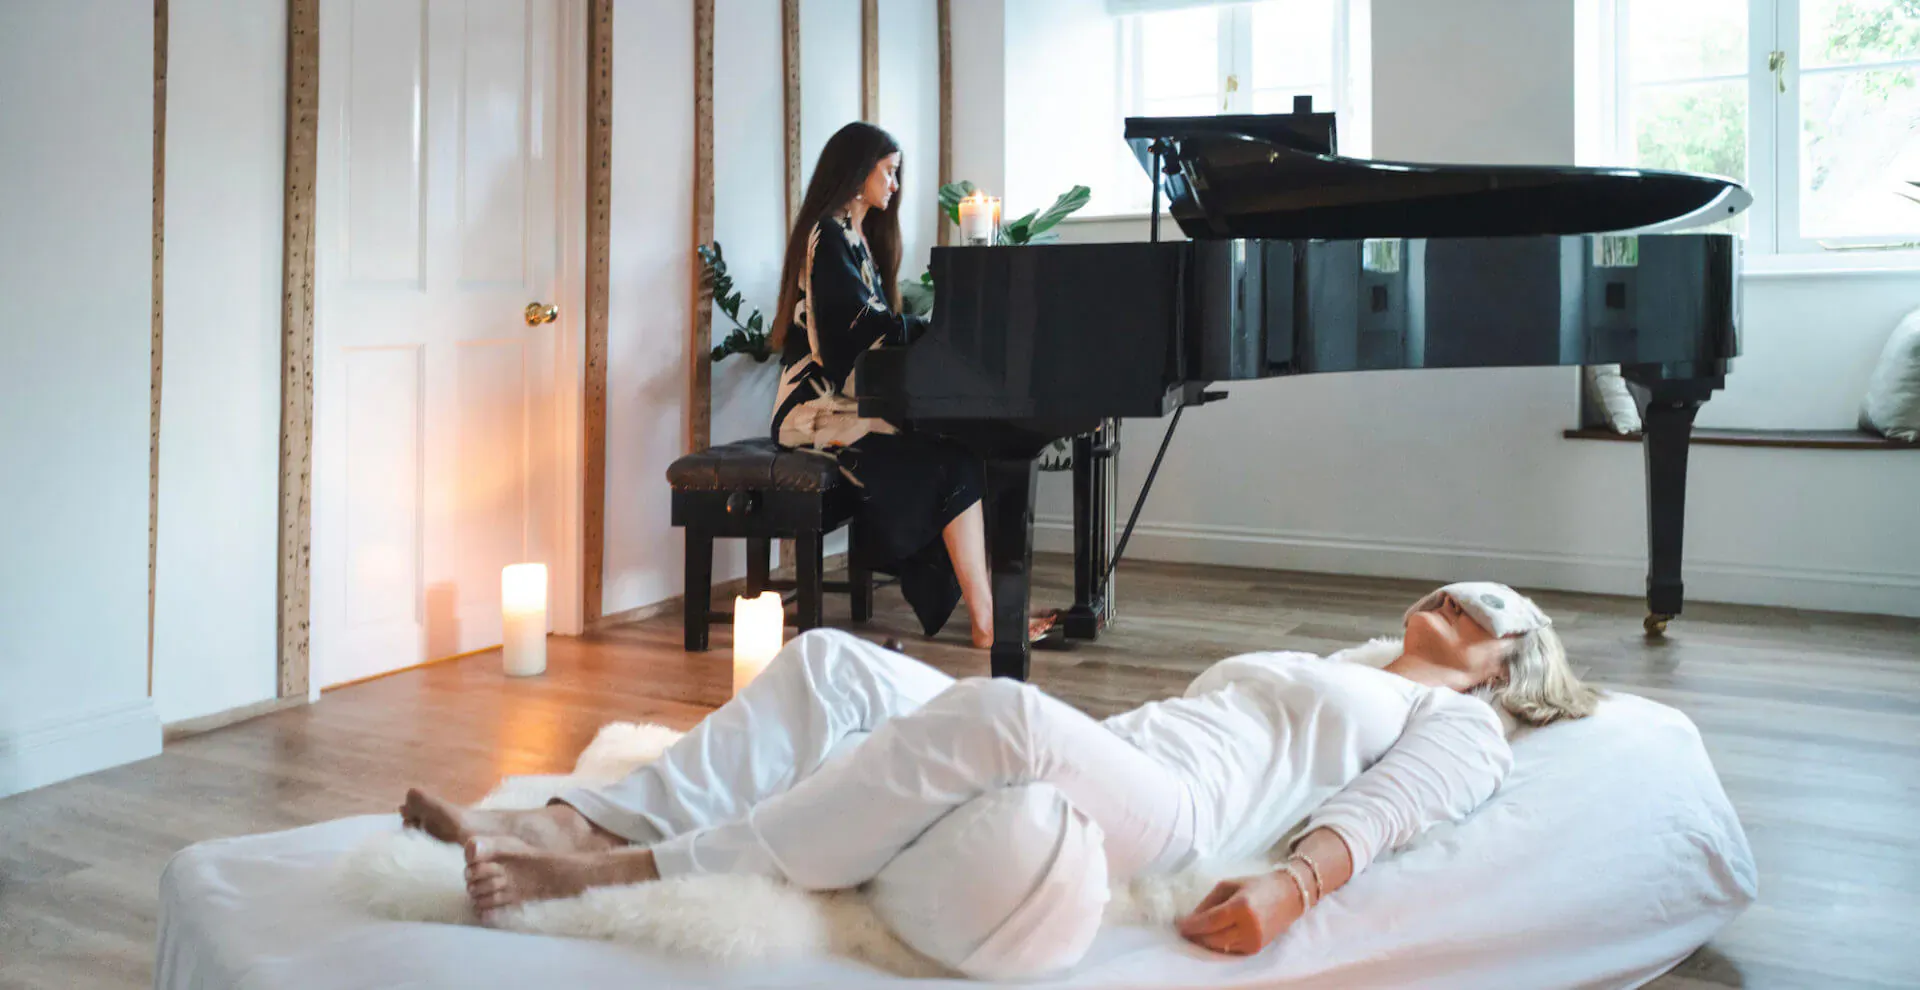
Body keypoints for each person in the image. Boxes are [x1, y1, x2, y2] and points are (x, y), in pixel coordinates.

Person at [401, 581, 1601, 962]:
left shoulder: (1455, 725)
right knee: (834, 662)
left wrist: (1295, 887)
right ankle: (570, 819)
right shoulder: (1338, 659)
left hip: (1177, 817)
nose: (1461, 596)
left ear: (1507, 663)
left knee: (996, 711)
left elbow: (1389, 813)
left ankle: (626, 869)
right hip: (1129, 748)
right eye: (1453, 584)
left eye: (1492, 606)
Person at [764, 120, 1051, 648]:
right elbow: (852, 330)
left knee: (959, 453)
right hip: (814, 414)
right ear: (857, 174)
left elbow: (873, 328)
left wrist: (920, 333)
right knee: (951, 461)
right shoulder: (827, 236)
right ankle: (989, 622)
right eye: (888, 172)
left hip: (851, 407)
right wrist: (925, 329)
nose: (894, 185)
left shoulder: (854, 240)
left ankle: (990, 614)